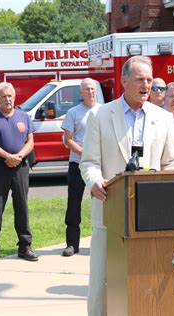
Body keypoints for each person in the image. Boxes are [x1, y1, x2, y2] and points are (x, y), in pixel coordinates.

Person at [80, 56, 174, 316]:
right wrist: (95, 182)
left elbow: (171, 162)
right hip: (109, 211)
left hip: (151, 216)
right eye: (140, 80)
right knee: (103, 282)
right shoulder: (100, 115)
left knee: (147, 279)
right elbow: (89, 163)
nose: (146, 85)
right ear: (123, 81)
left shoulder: (163, 118)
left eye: (149, 80)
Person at [0, 82, 38, 264]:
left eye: (10, 96)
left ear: (14, 97)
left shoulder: (24, 117)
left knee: (22, 205)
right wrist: (7, 156)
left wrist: (19, 156)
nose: (8, 99)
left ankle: (25, 246)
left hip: (20, 167)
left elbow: (30, 141)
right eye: (4, 96)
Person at [60, 78, 101, 257]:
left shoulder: (104, 111)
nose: (91, 92)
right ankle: (72, 244)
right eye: (87, 89)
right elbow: (67, 139)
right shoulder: (73, 112)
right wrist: (85, 154)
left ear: (96, 91)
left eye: (93, 89)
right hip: (77, 164)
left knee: (100, 203)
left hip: (100, 166)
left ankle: (99, 243)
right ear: (81, 93)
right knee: (74, 203)